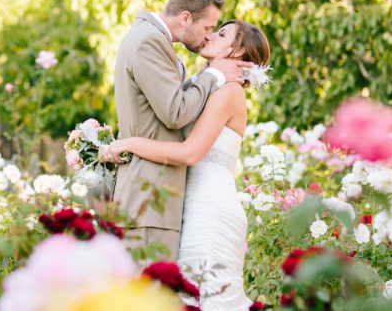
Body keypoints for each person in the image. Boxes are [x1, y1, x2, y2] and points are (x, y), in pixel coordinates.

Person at [106, 19, 271, 310]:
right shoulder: (204, 84)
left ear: (237, 51)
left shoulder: (229, 94)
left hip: (210, 212)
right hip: (190, 207)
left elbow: (189, 153)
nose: (209, 36)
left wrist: (129, 143)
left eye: (220, 34)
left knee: (202, 298)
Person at [111, 0, 252, 263]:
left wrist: (208, 75)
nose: (208, 36)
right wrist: (212, 74)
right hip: (150, 198)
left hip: (162, 201)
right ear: (185, 17)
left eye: (217, 32)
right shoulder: (150, 40)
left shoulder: (149, 38)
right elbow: (175, 113)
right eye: (209, 28)